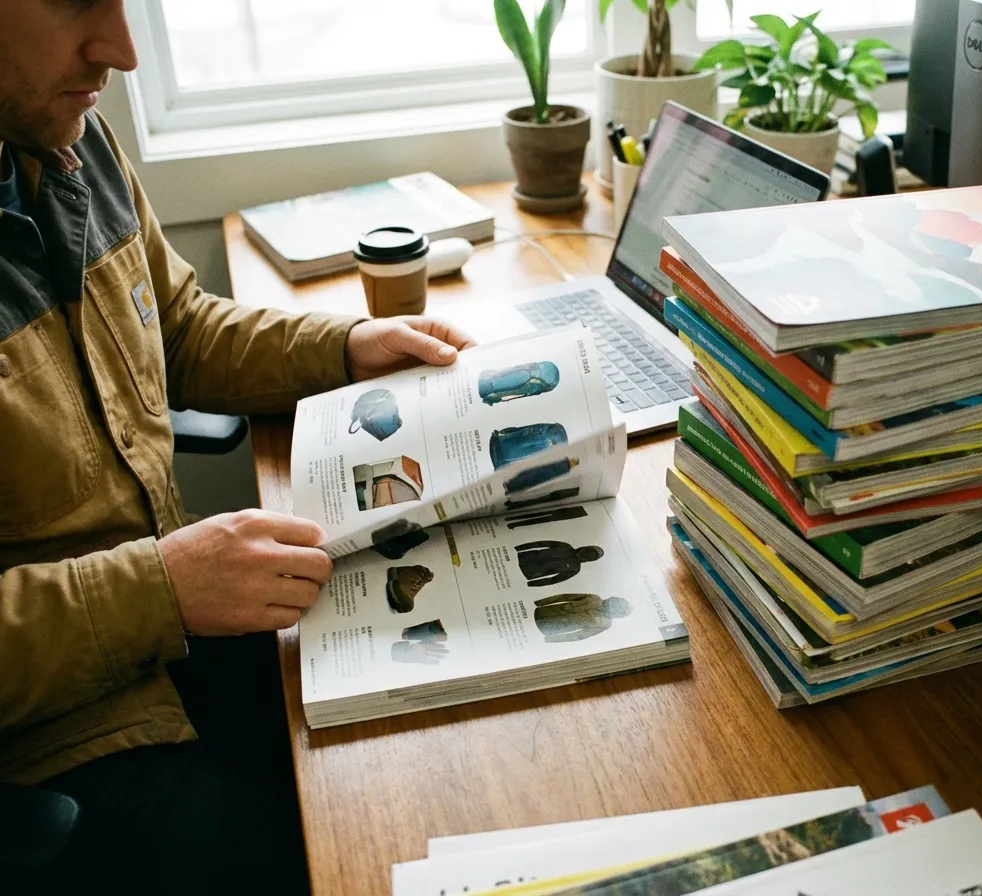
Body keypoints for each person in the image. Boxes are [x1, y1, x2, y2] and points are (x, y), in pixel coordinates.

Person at [0, 2, 474, 893]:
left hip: (165, 643)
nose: (122, 53)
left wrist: (341, 349)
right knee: (360, 860)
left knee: (435, 733)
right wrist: (163, 587)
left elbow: (176, 328)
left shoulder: (69, 135)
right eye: (74, 4)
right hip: (52, 746)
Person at [532, 594, 633, 643]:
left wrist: (551, 639)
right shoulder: (595, 598)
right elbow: (566, 596)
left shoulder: (605, 623)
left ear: (620, 613)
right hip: (540, 611)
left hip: (544, 629)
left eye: (617, 607)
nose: (613, 605)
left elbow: (579, 636)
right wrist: (540, 603)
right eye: (615, 602)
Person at [515, 541, 604, 587]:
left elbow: (553, 580)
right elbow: (540, 543)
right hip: (519, 558)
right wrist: (519, 548)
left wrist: (530, 584)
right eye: (591, 551)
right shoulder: (565, 546)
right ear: (587, 547)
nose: (590, 554)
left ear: (591, 560)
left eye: (593, 556)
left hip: (524, 574)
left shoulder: (575, 569)